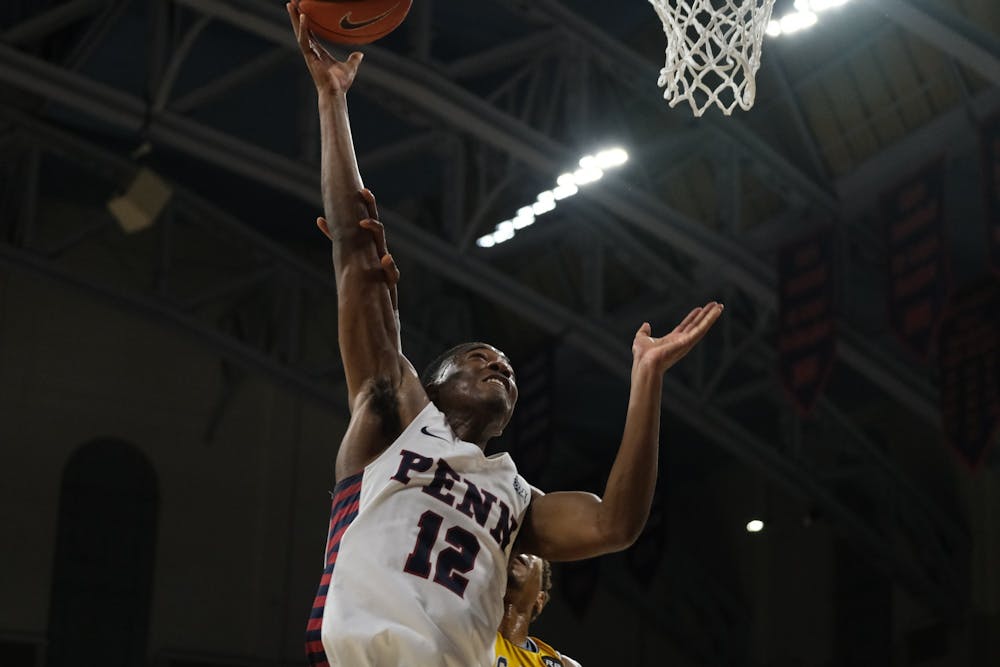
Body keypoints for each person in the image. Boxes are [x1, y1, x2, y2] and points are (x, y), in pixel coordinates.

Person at [287, 3, 724, 666]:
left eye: (508, 367)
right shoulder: (393, 418)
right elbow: (354, 251)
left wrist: (646, 379)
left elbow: (615, 524)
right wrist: (332, 101)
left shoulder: (516, 498)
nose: (502, 366)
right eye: (480, 358)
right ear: (433, 384)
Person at [495, 554, 582, 667]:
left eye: (531, 551)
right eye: (513, 549)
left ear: (540, 599)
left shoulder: (564, 664)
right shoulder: (469, 629)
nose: (518, 552)